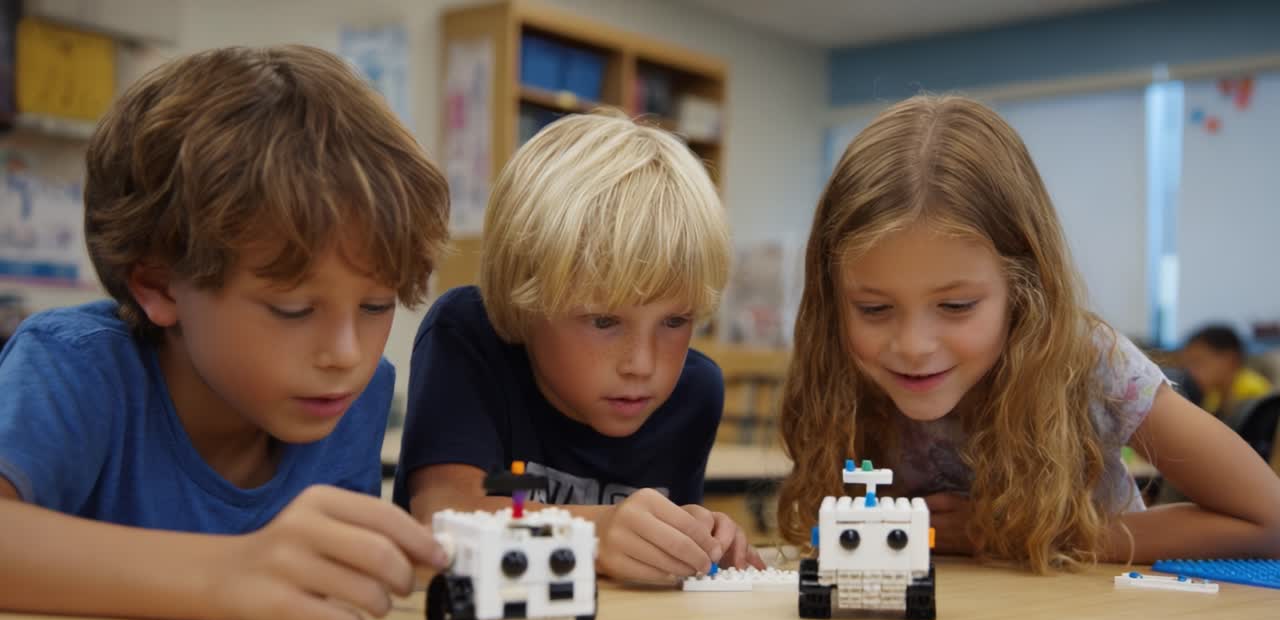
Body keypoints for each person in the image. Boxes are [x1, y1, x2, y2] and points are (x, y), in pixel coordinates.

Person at [0, 45, 452, 620]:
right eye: (292, 308)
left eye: (375, 305)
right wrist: (229, 574)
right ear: (160, 285)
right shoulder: (74, 368)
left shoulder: (354, 402)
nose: (347, 355)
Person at [776, 95, 1280, 571]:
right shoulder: (840, 364)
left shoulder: (1089, 364)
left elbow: (1268, 521)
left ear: (1023, 285)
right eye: (873, 308)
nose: (912, 345)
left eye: (956, 305)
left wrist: (1026, 536)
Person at [396, 110, 764, 584]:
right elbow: (444, 515)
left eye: (675, 321)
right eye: (605, 320)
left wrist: (692, 536)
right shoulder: (470, 337)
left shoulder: (695, 392)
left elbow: (645, 571)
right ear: (525, 301)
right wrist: (594, 533)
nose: (642, 364)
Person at [1181, 324, 1272, 419]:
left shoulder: (1254, 393)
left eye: (1198, 362)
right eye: (1188, 366)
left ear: (1230, 359)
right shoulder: (1213, 397)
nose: (1191, 372)